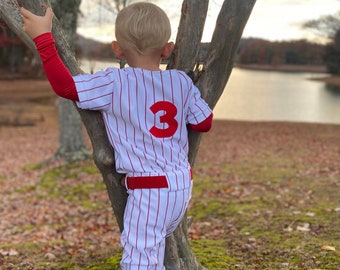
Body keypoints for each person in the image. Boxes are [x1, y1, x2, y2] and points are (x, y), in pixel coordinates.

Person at [21, 2, 213, 269]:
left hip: (150, 191)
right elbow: (204, 122)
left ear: (117, 50)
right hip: (182, 186)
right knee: (153, 250)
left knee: (140, 261)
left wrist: (43, 38)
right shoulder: (180, 81)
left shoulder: (115, 82)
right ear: (167, 50)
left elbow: (65, 86)